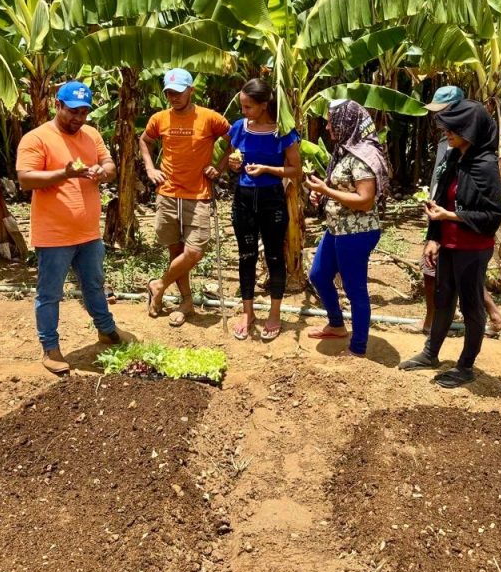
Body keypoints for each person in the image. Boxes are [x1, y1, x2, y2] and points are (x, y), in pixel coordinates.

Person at [16, 81, 121, 376]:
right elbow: (25, 179)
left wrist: (103, 172)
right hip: (54, 235)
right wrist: (64, 173)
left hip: (89, 233)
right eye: (73, 111)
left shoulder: (92, 135)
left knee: (95, 285)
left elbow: (110, 165)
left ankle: (107, 330)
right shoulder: (37, 138)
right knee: (50, 293)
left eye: (84, 112)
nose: (79, 118)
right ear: (57, 105)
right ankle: (50, 348)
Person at [399, 99, 501, 387]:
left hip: (473, 249)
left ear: (470, 130)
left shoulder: (485, 165)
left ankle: (465, 366)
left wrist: (451, 216)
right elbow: (442, 199)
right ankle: (430, 353)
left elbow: (492, 215)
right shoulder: (454, 158)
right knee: (443, 299)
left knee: (472, 307)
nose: (447, 133)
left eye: (453, 128)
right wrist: (434, 237)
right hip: (449, 244)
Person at [140, 68, 230, 327]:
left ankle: (158, 285)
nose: (174, 97)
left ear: (191, 90)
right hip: (168, 193)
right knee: (175, 251)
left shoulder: (210, 118)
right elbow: (144, 141)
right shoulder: (159, 118)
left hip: (198, 194)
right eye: (169, 93)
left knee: (194, 251)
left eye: (178, 92)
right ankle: (186, 302)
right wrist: (150, 169)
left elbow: (233, 139)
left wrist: (219, 167)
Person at [212, 79, 300, 341]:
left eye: (248, 107)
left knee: (274, 256)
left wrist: (266, 169)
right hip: (244, 198)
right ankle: (247, 312)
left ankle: (274, 313)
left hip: (272, 199)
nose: (244, 111)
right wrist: (231, 166)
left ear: (264, 105)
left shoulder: (283, 132)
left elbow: (296, 170)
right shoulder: (240, 127)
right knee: (246, 255)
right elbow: (229, 156)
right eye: (242, 106)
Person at [419, 86, 501, 339]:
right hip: (441, 215)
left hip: (460, 222)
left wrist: (448, 215)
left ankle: (459, 335)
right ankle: (436, 330)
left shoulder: (479, 159)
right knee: (449, 277)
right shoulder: (448, 144)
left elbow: (490, 210)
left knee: (461, 277)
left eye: (445, 112)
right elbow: (443, 179)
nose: (440, 120)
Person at [305, 99, 390, 357]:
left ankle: (358, 347)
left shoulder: (363, 156)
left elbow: (365, 200)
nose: (327, 127)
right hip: (338, 228)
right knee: (319, 275)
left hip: (356, 232)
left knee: (355, 289)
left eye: (332, 121)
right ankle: (336, 324)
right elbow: (341, 188)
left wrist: (326, 190)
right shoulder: (344, 151)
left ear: (347, 122)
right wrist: (322, 194)